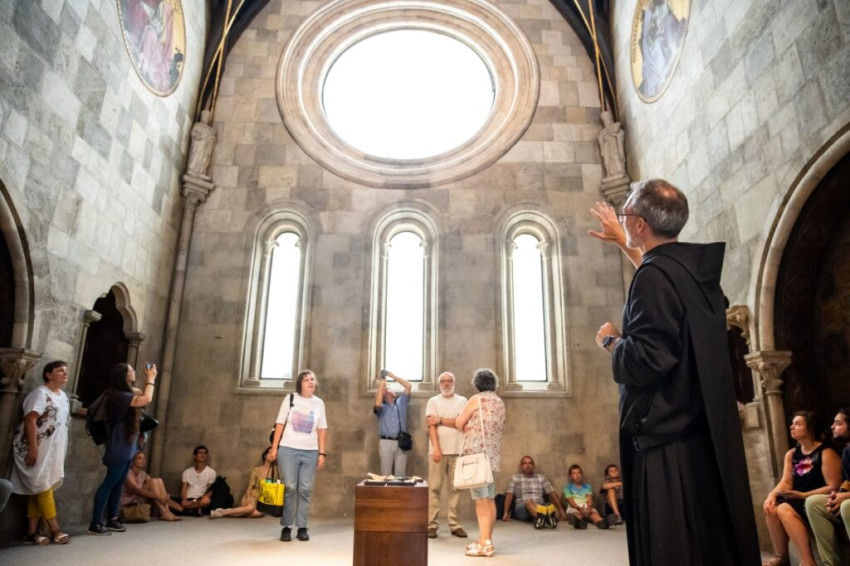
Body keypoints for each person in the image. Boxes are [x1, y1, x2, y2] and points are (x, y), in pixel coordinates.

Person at [589, 179, 761, 565]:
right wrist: (624, 243)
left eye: (625, 214)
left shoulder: (655, 277)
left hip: (664, 443)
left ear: (640, 224)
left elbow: (646, 359)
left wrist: (610, 341)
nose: (622, 220)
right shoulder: (693, 272)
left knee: (672, 547)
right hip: (698, 432)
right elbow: (667, 288)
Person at [762, 411, 842, 566]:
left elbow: (834, 486)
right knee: (770, 507)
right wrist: (771, 495)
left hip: (816, 499)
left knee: (784, 508)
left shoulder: (826, 452)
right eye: (792, 424)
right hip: (797, 497)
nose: (791, 427)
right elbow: (786, 481)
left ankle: (807, 561)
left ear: (810, 428)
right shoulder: (792, 454)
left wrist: (804, 495)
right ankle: (781, 557)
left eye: (797, 424)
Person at [89, 362, 157, 535]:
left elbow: (140, 393)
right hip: (119, 443)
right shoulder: (117, 395)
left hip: (128, 443)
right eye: (130, 370)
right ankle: (96, 522)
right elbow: (146, 399)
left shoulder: (123, 392)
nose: (134, 371)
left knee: (119, 483)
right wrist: (151, 378)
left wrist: (146, 380)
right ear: (123, 375)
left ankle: (112, 518)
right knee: (110, 482)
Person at [9, 360, 72, 545]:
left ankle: (32, 532)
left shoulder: (63, 396)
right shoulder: (40, 394)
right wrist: (33, 448)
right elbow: (30, 420)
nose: (65, 373)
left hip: (54, 447)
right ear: (49, 375)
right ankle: (55, 529)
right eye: (60, 371)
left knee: (40, 485)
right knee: (43, 485)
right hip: (37, 446)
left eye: (66, 371)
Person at [270, 369, 328, 542]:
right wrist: (274, 448)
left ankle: (302, 526)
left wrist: (322, 453)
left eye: (312, 379)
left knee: (305, 489)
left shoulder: (319, 403)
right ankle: (287, 526)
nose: (310, 382)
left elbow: (322, 430)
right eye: (306, 379)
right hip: (288, 449)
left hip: (310, 451)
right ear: (300, 384)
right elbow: (279, 424)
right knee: (290, 487)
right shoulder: (290, 398)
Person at [455, 368, 505, 558]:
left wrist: (466, 424)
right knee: (490, 499)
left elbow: (459, 423)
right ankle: (486, 539)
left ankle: (485, 543)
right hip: (492, 457)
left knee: (481, 501)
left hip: (476, 458)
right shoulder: (499, 402)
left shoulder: (476, 400)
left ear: (477, 384)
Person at [424, 371, 468, 538]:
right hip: (437, 452)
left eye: (450, 381)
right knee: (434, 489)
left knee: (455, 489)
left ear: (454, 383)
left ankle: (455, 525)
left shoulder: (462, 401)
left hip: (457, 451)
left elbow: (461, 423)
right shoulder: (433, 401)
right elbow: (431, 425)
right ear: (439, 384)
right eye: (443, 381)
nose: (447, 383)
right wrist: (436, 448)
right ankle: (431, 525)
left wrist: (441, 420)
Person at [806, 407, 850, 566]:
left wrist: (845, 496)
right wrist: (839, 494)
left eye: (838, 423)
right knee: (813, 503)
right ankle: (831, 563)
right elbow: (849, 480)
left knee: (846, 506)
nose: (832, 427)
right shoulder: (847, 452)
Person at [210, 447, 276, 519]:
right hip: (253, 494)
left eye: (274, 453)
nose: (271, 455)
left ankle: (227, 511)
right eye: (270, 452)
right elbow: (250, 486)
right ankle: (220, 513)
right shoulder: (256, 470)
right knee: (250, 508)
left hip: (264, 498)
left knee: (257, 513)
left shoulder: (275, 471)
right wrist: (248, 497)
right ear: (265, 455)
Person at [502, 455, 566, 528]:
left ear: (533, 466)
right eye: (525, 463)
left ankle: (540, 518)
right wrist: (505, 512)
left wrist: (561, 511)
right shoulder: (515, 478)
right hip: (522, 507)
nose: (527, 465)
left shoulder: (541, 478)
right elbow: (509, 495)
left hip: (540, 506)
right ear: (521, 466)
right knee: (529, 502)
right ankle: (545, 518)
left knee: (552, 508)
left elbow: (552, 493)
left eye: (530, 463)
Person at [121, 451, 182, 521]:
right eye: (139, 458)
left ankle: (167, 510)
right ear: (133, 461)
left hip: (140, 499)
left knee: (158, 480)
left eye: (144, 458)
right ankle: (163, 511)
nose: (143, 461)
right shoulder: (128, 473)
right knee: (152, 481)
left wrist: (165, 495)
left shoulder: (142, 474)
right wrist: (159, 497)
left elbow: (155, 484)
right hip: (130, 502)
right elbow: (136, 491)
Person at [373, 370, 412, 477]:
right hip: (385, 441)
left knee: (400, 474)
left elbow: (408, 386)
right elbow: (377, 402)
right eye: (386, 389)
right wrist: (382, 383)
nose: (387, 388)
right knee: (385, 474)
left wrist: (393, 376)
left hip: (401, 441)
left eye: (389, 388)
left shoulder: (401, 402)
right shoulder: (381, 407)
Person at [563, 464, 608, 529]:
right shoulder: (567, 488)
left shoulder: (587, 486)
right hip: (575, 508)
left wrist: (589, 507)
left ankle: (602, 523)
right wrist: (579, 509)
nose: (577, 475)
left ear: (582, 474)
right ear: (570, 476)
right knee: (577, 514)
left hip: (586, 507)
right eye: (574, 473)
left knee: (594, 514)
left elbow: (589, 499)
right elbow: (571, 502)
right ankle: (579, 523)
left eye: (579, 472)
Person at [175, 445, 217, 516]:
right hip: (188, 499)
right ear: (195, 456)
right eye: (200, 453)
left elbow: (209, 492)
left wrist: (195, 501)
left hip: (200, 500)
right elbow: (184, 489)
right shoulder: (187, 472)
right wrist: (184, 500)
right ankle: (194, 509)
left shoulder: (211, 472)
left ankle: (187, 509)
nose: (202, 455)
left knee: (206, 500)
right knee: (167, 499)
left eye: (204, 453)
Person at [598, 111, 626, 179]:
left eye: (607, 118)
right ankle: (609, 173)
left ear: (610, 118)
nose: (606, 120)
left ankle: (620, 171)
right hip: (607, 147)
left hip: (614, 145)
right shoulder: (603, 132)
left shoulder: (616, 125)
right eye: (604, 119)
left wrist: (613, 134)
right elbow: (600, 139)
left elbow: (620, 133)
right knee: (607, 160)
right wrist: (603, 137)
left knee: (616, 156)